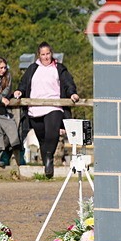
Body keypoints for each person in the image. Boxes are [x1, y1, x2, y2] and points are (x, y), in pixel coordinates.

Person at [13, 43, 79, 178]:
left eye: (48, 54)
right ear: (39, 55)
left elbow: (68, 83)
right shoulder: (32, 68)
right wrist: (19, 91)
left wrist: (72, 93)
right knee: (42, 139)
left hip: (54, 106)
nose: (46, 57)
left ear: (51, 53)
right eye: (43, 54)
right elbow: (24, 83)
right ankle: (47, 167)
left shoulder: (59, 68)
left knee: (52, 134)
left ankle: (48, 159)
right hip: (35, 108)